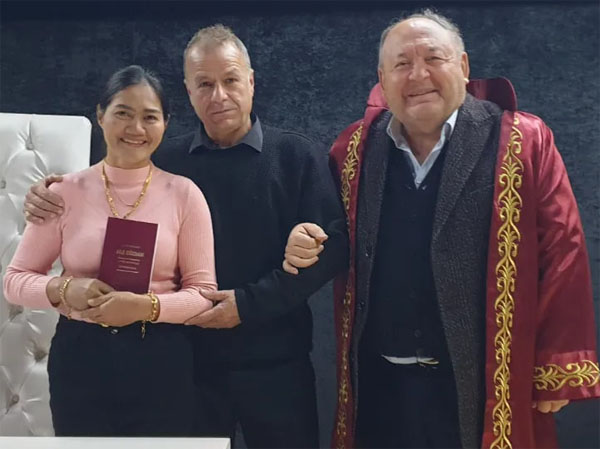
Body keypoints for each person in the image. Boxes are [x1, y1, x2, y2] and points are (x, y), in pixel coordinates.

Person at [283, 9, 600, 449]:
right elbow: (327, 232)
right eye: (402, 64)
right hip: (380, 385)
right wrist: (301, 239)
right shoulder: (352, 148)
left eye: (434, 58)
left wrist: (555, 368)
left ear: (464, 66)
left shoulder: (522, 141)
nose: (418, 75)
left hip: (482, 385)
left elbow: (563, 250)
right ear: (382, 79)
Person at [22, 26, 348, 448]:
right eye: (204, 84)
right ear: (188, 91)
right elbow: (102, 191)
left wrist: (247, 305)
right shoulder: (164, 161)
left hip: (276, 363)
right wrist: (45, 193)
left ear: (251, 81)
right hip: (189, 365)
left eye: (230, 80)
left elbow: (334, 249)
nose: (219, 96)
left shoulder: (296, 155)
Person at [4, 65, 217, 436]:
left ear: (165, 124)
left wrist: (146, 306)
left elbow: (203, 295)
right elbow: (14, 281)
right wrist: (64, 288)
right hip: (80, 358)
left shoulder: (184, 195)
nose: (136, 128)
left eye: (149, 117)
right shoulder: (62, 193)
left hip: (162, 359)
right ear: (100, 115)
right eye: (123, 113)